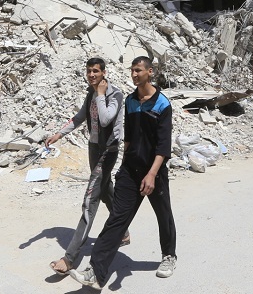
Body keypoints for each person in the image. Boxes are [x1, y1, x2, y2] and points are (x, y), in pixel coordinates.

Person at [70, 56, 177, 289]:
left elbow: (163, 146)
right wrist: (124, 166)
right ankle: (95, 272)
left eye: (138, 70)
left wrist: (152, 174)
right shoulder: (130, 101)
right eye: (132, 70)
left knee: (163, 214)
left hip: (154, 171)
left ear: (150, 72)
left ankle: (169, 255)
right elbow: (128, 137)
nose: (134, 74)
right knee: (116, 219)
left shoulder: (162, 104)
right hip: (130, 170)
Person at [46, 57, 127, 275]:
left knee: (90, 200)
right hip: (94, 149)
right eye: (89, 71)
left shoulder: (115, 95)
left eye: (96, 71)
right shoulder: (90, 93)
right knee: (105, 188)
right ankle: (123, 230)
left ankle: (70, 257)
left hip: (108, 151)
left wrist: (100, 94)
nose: (91, 75)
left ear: (104, 73)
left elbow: (105, 119)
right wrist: (59, 134)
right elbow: (80, 117)